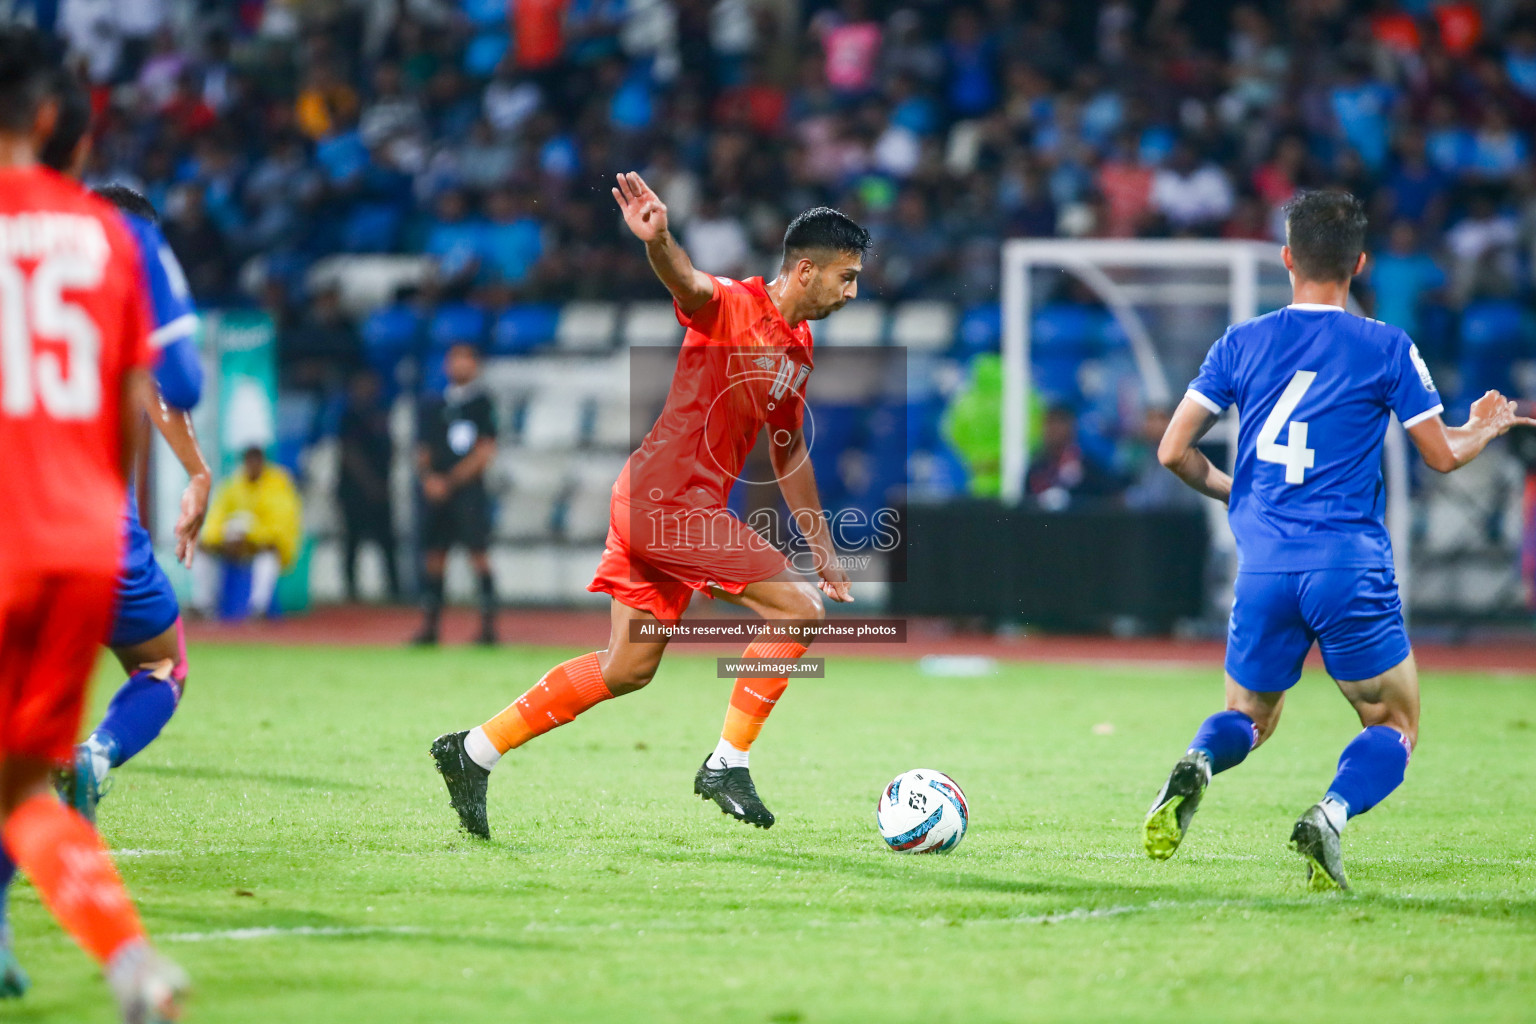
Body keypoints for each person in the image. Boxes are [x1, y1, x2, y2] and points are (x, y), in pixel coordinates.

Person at [430, 174, 863, 838]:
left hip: (654, 502)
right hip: (669, 505)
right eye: (846, 277)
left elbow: (786, 450)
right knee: (797, 609)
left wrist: (823, 550)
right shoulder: (733, 305)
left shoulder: (798, 348)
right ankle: (727, 762)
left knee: (627, 667)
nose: (852, 291)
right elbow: (687, 281)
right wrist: (659, 238)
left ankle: (472, 751)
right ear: (806, 270)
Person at [1143, 190, 1535, 890]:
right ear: (1360, 263)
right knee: (1393, 720)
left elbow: (1173, 452)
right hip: (1348, 564)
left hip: (1264, 565)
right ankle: (1329, 814)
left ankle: (1200, 762)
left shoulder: (1241, 341)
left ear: (1288, 258)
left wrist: (1249, 495)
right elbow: (1440, 456)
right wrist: (1487, 427)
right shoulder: (1386, 345)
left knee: (1249, 717)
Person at [0, 25, 188, 1019]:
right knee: (22, 781)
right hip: (80, 539)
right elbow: (141, 400)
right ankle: (130, 966)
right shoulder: (109, 239)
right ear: (49, 117)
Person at [412, 342, 498, 645]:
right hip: (437, 494)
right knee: (435, 556)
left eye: (466, 359)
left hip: (468, 494)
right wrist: (428, 479)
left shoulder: (483, 404)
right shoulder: (432, 404)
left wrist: (449, 480)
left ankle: (488, 628)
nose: (459, 365)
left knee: (479, 555)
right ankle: (430, 627)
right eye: (454, 359)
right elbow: (421, 449)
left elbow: (485, 451)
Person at [196, 446, 303, 619]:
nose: (253, 466)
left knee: (267, 559)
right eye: (249, 462)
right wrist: (217, 541)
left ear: (263, 463)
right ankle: (204, 604)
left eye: (256, 462)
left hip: (260, 546)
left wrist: (250, 539)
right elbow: (215, 518)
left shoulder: (278, 485)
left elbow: (280, 526)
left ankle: (258, 608)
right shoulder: (232, 486)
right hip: (230, 544)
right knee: (202, 552)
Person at [339, 369, 400, 601]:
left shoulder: (381, 414)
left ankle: (394, 589)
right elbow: (350, 454)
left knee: (387, 541)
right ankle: (351, 590)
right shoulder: (349, 416)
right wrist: (372, 483)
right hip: (354, 491)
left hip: (381, 489)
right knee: (353, 541)